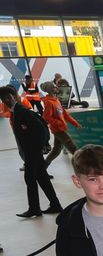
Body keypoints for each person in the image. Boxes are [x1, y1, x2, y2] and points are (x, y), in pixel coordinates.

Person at [0, 85, 61, 218]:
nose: (4, 101)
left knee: (30, 178)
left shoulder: (21, 111)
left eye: (4, 98)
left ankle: (34, 208)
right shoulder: (17, 111)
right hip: (33, 151)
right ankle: (55, 204)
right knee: (42, 178)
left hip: (32, 152)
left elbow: (41, 128)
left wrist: (38, 147)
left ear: (9, 97)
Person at [39, 81, 80, 168]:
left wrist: (75, 123)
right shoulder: (49, 102)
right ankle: (83, 164)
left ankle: (43, 167)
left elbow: (64, 113)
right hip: (58, 129)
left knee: (57, 150)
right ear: (50, 89)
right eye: (54, 87)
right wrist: (58, 123)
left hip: (61, 128)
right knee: (71, 146)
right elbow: (46, 117)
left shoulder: (56, 99)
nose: (56, 88)